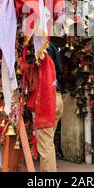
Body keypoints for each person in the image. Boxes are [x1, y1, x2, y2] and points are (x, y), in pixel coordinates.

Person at [35, 38, 64, 172]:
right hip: (57, 97)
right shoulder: (53, 48)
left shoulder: (41, 48)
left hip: (48, 98)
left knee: (45, 143)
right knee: (48, 141)